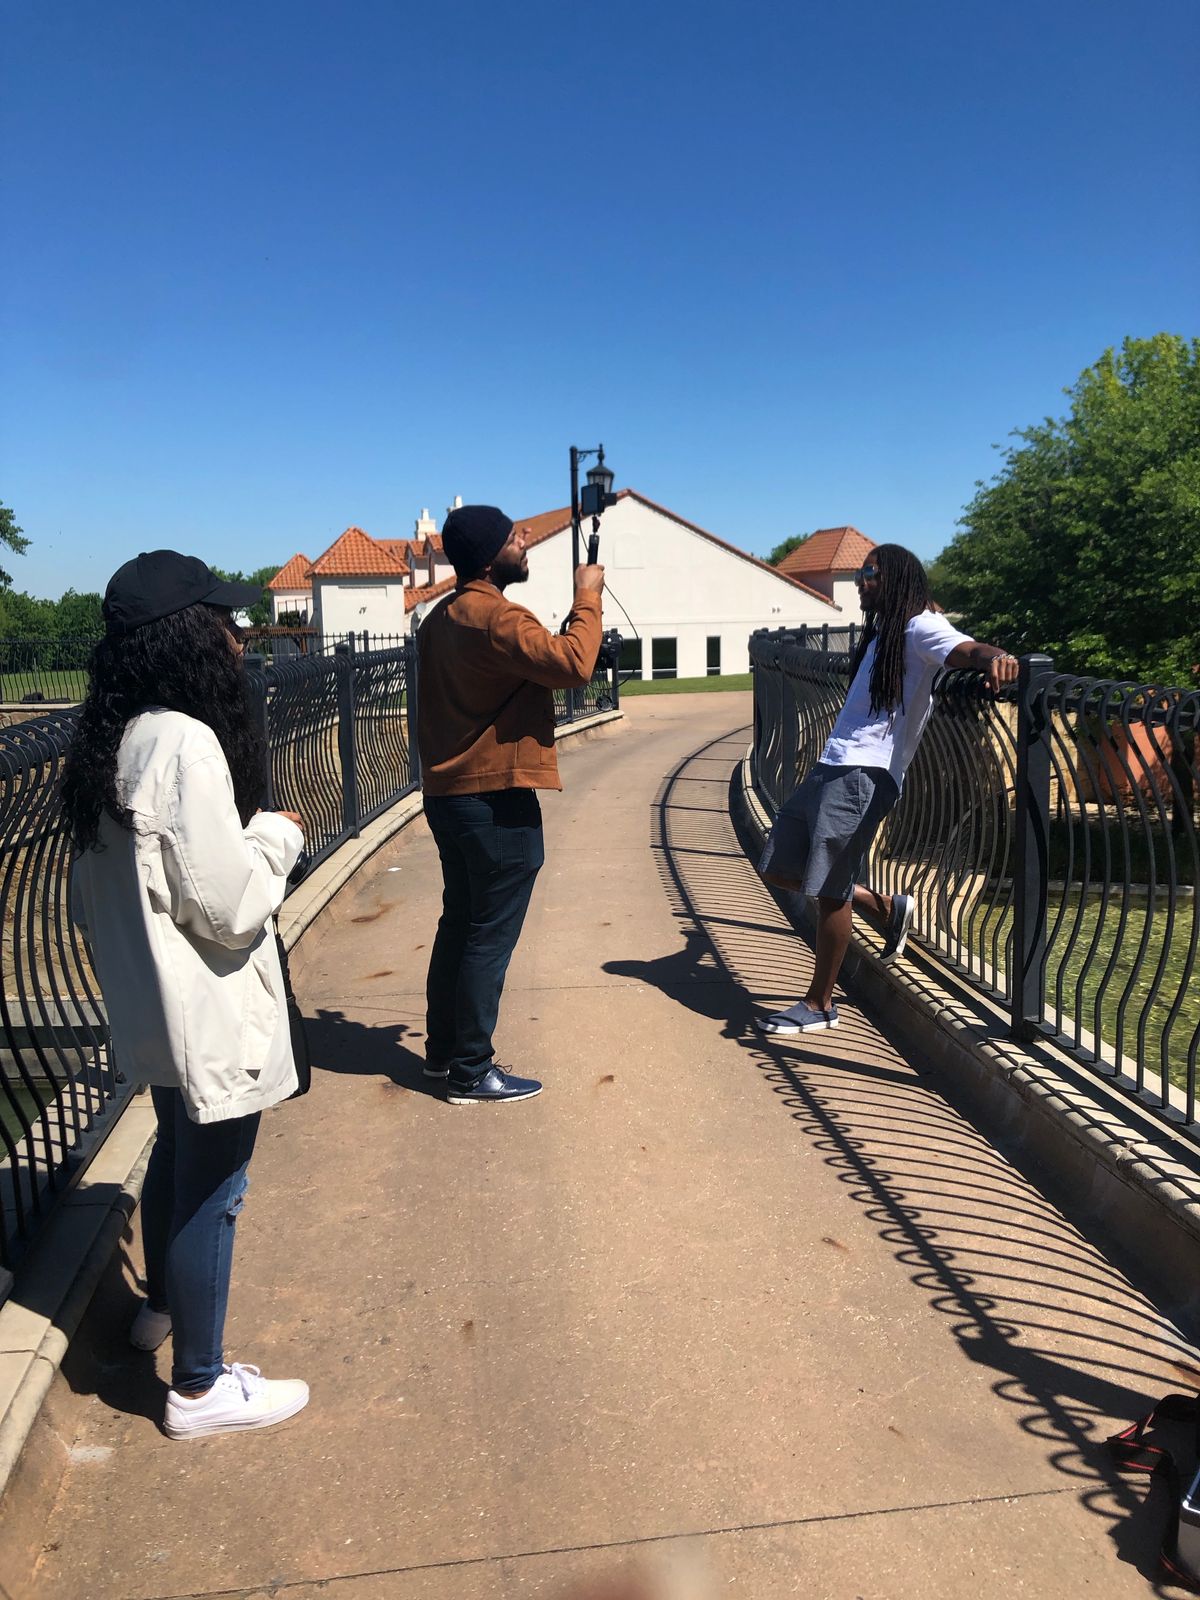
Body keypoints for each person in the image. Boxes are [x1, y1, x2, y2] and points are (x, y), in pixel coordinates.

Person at [64, 551, 310, 1439]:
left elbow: (106, 895)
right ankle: (200, 1388)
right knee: (216, 1185)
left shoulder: (111, 739)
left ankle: (163, 1310)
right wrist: (276, 836)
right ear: (187, 637)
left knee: (176, 1152)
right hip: (207, 1007)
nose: (237, 636)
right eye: (223, 621)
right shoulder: (184, 741)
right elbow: (230, 907)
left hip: (154, 1008)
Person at [755, 542, 1019, 1035]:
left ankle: (820, 1005)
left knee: (829, 890)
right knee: (778, 862)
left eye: (871, 573)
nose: (862, 581)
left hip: (865, 775)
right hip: (834, 765)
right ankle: (883, 906)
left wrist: (996, 657)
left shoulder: (920, 626)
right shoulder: (886, 630)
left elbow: (963, 649)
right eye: (860, 573)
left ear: (897, 579)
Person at [417, 504, 604, 1104]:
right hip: (495, 800)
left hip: (448, 796)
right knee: (488, 936)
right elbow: (574, 663)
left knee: (459, 924)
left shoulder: (439, 619)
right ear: (487, 557)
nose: (523, 538)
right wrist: (587, 595)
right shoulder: (498, 617)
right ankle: (471, 1069)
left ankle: (443, 1052)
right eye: (510, 536)